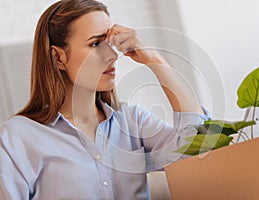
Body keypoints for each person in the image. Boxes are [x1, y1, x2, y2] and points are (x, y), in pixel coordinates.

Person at [0, 0, 209, 199]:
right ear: (58, 58)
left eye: (110, 43)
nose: (112, 55)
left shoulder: (132, 122)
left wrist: (155, 59)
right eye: (96, 44)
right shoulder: (16, 138)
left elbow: (200, 150)